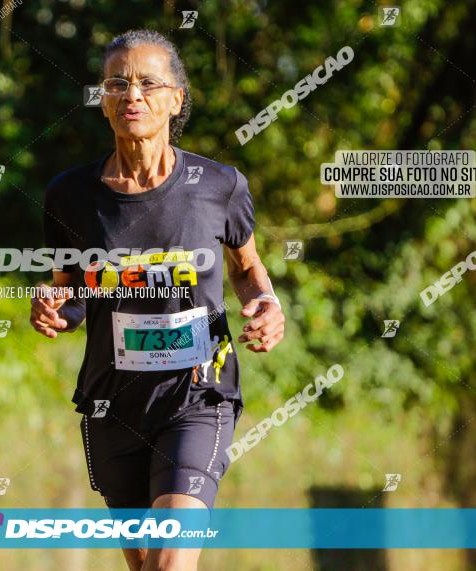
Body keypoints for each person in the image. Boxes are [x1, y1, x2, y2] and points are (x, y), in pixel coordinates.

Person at [30, 30, 285, 571]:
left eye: (148, 83)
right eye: (117, 84)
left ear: (176, 99)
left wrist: (266, 302)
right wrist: (55, 309)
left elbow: (247, 270)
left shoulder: (218, 186)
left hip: (198, 395)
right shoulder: (70, 195)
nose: (132, 96)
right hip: (112, 402)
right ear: (103, 101)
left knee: (171, 564)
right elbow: (73, 288)